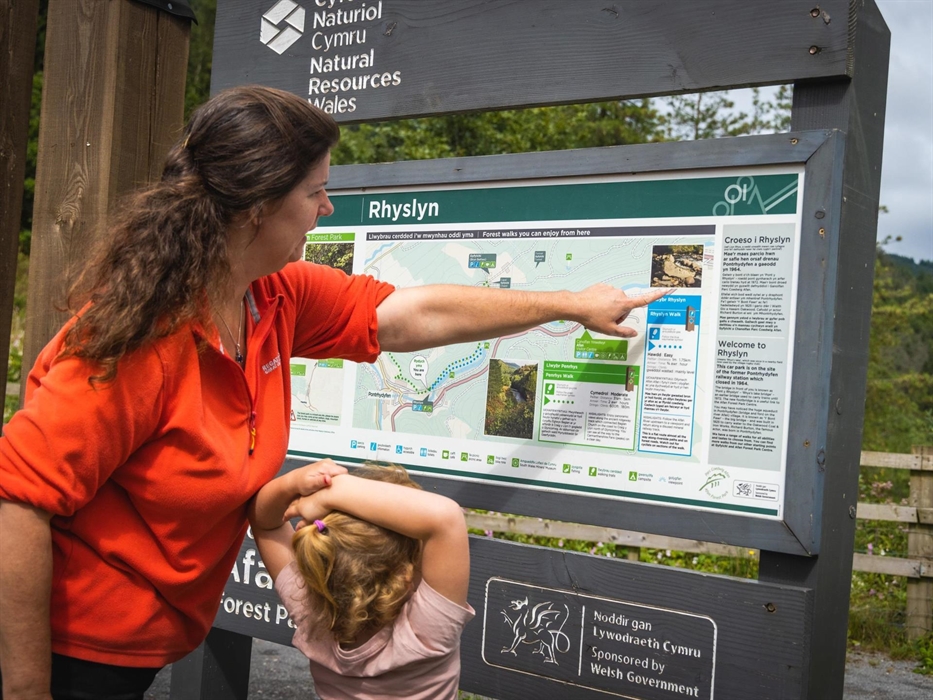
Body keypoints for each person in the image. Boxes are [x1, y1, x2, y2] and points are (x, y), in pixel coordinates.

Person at [0, 84, 667, 699]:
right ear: (258, 206)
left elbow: (410, 315)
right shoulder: (138, 340)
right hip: (72, 648)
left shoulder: (272, 297)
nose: (327, 207)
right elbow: (18, 501)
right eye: (315, 190)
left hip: (147, 641)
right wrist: (27, 690)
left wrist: (569, 304)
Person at [248, 461, 472, 700]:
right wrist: (333, 493)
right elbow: (446, 518)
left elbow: (263, 521)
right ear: (404, 572)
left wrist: (295, 482)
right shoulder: (426, 634)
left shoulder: (311, 610)